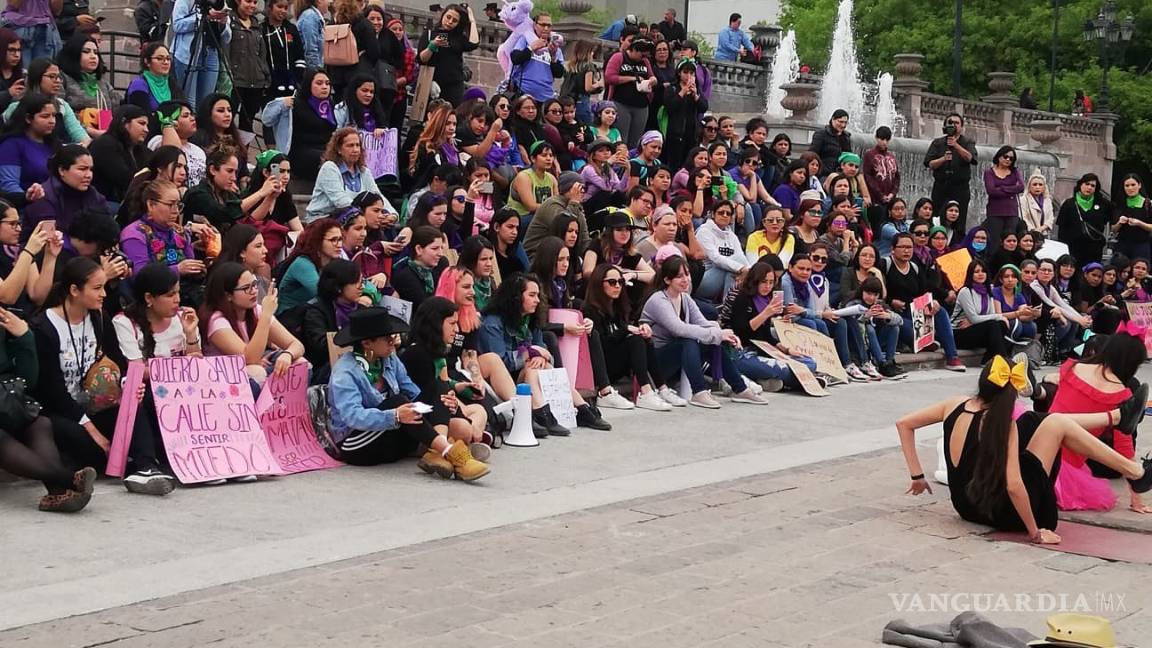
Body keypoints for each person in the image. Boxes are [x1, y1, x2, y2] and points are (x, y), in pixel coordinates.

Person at [896, 355, 1151, 540]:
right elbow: (1015, 486)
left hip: (965, 506)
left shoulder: (953, 403)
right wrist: (1035, 532)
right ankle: (1134, 468)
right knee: (1056, 424)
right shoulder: (1003, 425)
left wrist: (917, 476)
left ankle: (1117, 420)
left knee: (1035, 420)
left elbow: (904, 423)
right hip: (1005, 514)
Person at [31, 257, 169, 494]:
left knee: (137, 404)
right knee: (85, 440)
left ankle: (146, 467)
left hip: (97, 403)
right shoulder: (43, 327)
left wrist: (127, 385)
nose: (104, 294)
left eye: (104, 287)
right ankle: (118, 462)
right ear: (74, 290)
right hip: (62, 410)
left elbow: (117, 362)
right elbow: (52, 391)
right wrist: (93, 431)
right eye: (97, 288)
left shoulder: (98, 317)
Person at [327, 307, 490, 478]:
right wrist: (395, 415)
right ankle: (449, 451)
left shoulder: (388, 358)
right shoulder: (345, 372)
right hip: (356, 444)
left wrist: (444, 403)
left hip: (388, 434)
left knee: (438, 387)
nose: (393, 341)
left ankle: (437, 451)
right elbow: (352, 416)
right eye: (387, 338)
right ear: (367, 343)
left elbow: (414, 393)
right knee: (398, 401)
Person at [110, 262, 205, 493]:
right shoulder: (125, 322)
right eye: (170, 295)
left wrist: (191, 335)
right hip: (150, 395)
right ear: (149, 298)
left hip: (183, 394)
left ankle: (202, 459)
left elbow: (197, 364)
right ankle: (146, 466)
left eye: (178, 293)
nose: (177, 300)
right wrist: (179, 367)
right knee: (141, 395)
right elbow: (137, 370)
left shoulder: (183, 318)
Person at [478, 272, 610, 434]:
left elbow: (545, 354)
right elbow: (501, 362)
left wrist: (538, 355)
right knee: (534, 367)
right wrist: (530, 353)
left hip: (525, 376)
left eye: (538, 295)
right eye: (532, 295)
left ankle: (580, 408)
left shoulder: (530, 319)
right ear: (516, 297)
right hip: (502, 382)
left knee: (542, 366)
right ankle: (546, 413)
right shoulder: (493, 322)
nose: (537, 300)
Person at [0, 300, 96, 511]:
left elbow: (29, 379)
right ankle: (69, 479)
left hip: (8, 398)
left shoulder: (5, 319)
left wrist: (24, 337)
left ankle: (57, 494)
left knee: (39, 423)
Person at [642, 255, 769, 408]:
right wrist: (717, 334)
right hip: (656, 361)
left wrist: (724, 333)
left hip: (676, 356)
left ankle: (740, 388)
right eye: (679, 276)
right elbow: (679, 329)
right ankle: (699, 392)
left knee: (712, 341)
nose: (686, 279)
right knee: (689, 341)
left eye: (687, 274)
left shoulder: (685, 298)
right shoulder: (658, 300)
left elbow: (702, 323)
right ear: (667, 280)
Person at [400, 297, 494, 458]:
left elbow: (444, 385)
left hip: (438, 409)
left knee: (479, 410)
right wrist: (456, 407)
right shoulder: (417, 354)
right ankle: (448, 447)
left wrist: (459, 387)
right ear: (435, 324)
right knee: (463, 427)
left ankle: (466, 442)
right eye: (452, 323)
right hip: (422, 416)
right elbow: (433, 393)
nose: (456, 329)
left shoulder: (438, 352)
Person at [200, 261, 305, 386]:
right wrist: (266, 315)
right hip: (221, 379)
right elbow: (249, 359)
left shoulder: (256, 310)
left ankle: (286, 405)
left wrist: (288, 354)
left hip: (250, 368)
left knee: (300, 362)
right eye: (246, 288)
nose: (254, 291)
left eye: (255, 284)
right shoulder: (216, 321)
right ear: (228, 295)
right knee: (257, 372)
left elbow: (297, 345)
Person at [883, 233, 965, 371]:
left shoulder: (914, 267)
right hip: (894, 313)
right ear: (893, 249)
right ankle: (923, 343)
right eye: (902, 247)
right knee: (904, 326)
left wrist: (933, 302)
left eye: (909, 247)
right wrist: (891, 301)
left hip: (915, 312)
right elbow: (876, 290)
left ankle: (952, 357)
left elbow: (924, 291)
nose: (906, 250)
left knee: (940, 311)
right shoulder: (885, 264)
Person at [22, 143, 108, 238]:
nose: (89, 175)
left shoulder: (93, 194)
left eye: (90, 169)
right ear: (62, 170)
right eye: (82, 169)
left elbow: (107, 227)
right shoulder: (43, 196)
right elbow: (50, 240)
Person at [306, 127, 390, 223]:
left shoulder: (364, 171)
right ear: (339, 149)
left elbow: (377, 195)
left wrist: (391, 214)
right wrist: (369, 213)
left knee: (383, 225)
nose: (355, 150)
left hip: (355, 218)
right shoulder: (329, 168)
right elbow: (341, 201)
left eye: (357, 145)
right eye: (350, 146)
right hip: (322, 220)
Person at [297, 258, 361, 384]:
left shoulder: (361, 308)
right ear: (338, 287)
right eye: (356, 282)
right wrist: (358, 341)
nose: (361, 287)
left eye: (362, 281)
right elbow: (320, 343)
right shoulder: (316, 311)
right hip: (325, 368)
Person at [2, 59, 88, 145]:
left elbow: (81, 136)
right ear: (37, 78)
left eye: (59, 77)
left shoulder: (62, 105)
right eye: (51, 76)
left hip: (61, 154)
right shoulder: (16, 107)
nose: (58, 81)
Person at [169, 0, 232, 108]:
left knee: (207, 102)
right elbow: (177, 25)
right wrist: (204, 17)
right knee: (189, 101)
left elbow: (227, 37)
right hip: (189, 52)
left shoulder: (220, 2)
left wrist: (222, 22)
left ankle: (202, 124)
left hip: (212, 52)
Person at [56, 33, 119, 139]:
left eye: (96, 52)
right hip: (73, 138)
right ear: (73, 53)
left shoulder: (103, 83)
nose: (93, 56)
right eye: (86, 52)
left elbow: (116, 112)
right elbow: (59, 113)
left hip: (104, 137)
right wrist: (90, 131)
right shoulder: (61, 78)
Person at [417, 3, 480, 107]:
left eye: (454, 20)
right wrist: (432, 46)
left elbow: (473, 44)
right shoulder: (430, 33)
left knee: (450, 117)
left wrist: (472, 20)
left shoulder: (458, 37)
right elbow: (421, 59)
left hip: (453, 86)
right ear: (443, 15)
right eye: (448, 17)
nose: (450, 22)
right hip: (432, 84)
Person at [88, 105, 150, 210]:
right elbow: (126, 180)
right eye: (141, 123)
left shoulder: (139, 149)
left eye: (147, 125)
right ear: (124, 123)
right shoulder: (105, 144)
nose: (146, 130)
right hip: (101, 203)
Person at [924, 113, 978, 233]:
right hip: (941, 186)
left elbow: (971, 158)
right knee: (937, 218)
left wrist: (956, 145)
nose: (953, 125)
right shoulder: (937, 143)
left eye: (956, 123)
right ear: (945, 126)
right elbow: (929, 163)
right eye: (950, 123)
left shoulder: (968, 142)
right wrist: (942, 159)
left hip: (960, 188)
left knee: (960, 220)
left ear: (961, 127)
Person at [276, 218, 342, 314]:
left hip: (312, 315)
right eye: (333, 240)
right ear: (317, 241)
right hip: (290, 320)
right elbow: (324, 293)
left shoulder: (334, 261)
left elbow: (356, 280)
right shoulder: (302, 263)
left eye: (340, 239)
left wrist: (368, 294)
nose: (339, 245)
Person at [226, 0, 270, 132]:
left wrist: (264, 75)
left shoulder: (257, 24)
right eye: (249, 1)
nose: (252, 5)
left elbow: (262, 54)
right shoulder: (229, 21)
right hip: (235, 81)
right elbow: (225, 49)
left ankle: (244, 151)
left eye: (255, 2)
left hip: (256, 82)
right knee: (227, 120)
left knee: (248, 123)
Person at [603, 37, 656, 148]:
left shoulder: (645, 61)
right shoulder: (619, 57)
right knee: (622, 138)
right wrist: (631, 78)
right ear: (635, 50)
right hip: (621, 102)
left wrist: (652, 80)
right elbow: (609, 78)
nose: (643, 58)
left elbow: (651, 76)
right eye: (642, 55)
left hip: (641, 105)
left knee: (635, 140)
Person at [187, 93, 249, 186]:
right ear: (208, 113)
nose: (227, 115)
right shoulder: (198, 137)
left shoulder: (236, 139)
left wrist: (245, 181)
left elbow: (243, 172)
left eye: (229, 110)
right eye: (220, 111)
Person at [288, 69, 338, 183]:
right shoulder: (296, 104)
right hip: (302, 151)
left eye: (327, 83)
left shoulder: (330, 104)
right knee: (327, 160)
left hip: (326, 148)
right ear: (308, 84)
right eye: (319, 83)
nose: (325, 87)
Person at [524, 171, 589, 257]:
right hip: (537, 254)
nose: (583, 191)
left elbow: (583, 237)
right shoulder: (552, 204)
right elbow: (563, 228)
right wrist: (574, 202)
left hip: (562, 253)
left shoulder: (576, 205)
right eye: (579, 187)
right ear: (569, 188)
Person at [148, 99, 206, 188]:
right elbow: (174, 154)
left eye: (192, 114)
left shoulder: (198, 151)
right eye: (186, 116)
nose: (193, 118)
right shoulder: (158, 141)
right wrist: (167, 125)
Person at [508, 12, 564, 103]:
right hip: (524, 94)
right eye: (543, 25)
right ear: (535, 25)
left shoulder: (555, 47)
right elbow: (515, 59)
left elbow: (559, 73)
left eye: (549, 26)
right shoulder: (525, 40)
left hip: (546, 97)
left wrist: (553, 57)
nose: (546, 28)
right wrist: (531, 48)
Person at [1057, 172, 1111, 265]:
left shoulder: (1103, 204)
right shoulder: (1069, 203)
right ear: (1080, 185)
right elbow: (1061, 228)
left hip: (1094, 249)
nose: (1089, 187)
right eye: (1087, 184)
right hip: (1073, 248)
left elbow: (1109, 220)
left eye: (1093, 186)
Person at [260, 0, 304, 113]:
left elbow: (299, 55)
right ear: (270, 7)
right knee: (269, 120)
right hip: (270, 85)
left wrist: (297, 77)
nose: (283, 11)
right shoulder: (262, 29)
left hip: (290, 84)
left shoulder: (291, 29)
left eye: (286, 7)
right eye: (279, 7)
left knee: (290, 120)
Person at [391, 226, 449, 309]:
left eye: (441, 248)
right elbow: (424, 306)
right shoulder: (405, 275)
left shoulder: (442, 264)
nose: (440, 253)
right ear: (419, 249)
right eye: (435, 248)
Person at [982, 146, 1024, 254]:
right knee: (994, 242)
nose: (1008, 160)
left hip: (1012, 212)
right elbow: (991, 191)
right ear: (999, 156)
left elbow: (1021, 187)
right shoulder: (989, 172)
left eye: (1011, 158)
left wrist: (1002, 188)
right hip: (995, 212)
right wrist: (1011, 189)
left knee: (1010, 241)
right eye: (1006, 157)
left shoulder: (1015, 172)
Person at [1111, 174, 1151, 262]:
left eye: (1133, 185)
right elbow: (1113, 229)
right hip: (1122, 245)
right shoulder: (1119, 204)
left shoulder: (1148, 204)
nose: (1130, 188)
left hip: (1141, 246)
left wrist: (1139, 223)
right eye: (1127, 185)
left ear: (1139, 185)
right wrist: (1119, 223)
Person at [809, 109, 851, 178]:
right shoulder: (821, 134)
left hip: (841, 174)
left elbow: (848, 155)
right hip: (824, 174)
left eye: (845, 122)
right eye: (840, 122)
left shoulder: (846, 137)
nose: (843, 125)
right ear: (833, 119)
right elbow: (813, 153)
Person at [293, 0, 327, 70]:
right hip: (313, 71)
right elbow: (311, 50)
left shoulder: (313, 16)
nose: (329, 2)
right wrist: (316, 73)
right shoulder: (310, 17)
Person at [1018, 171, 1054, 237]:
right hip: (1028, 233)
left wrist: (1041, 228)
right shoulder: (1023, 200)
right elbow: (1023, 217)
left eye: (1040, 185)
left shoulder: (1047, 200)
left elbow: (1050, 218)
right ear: (1029, 186)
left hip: (1043, 233)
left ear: (1044, 187)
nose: (1037, 187)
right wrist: (1034, 230)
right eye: (1034, 184)